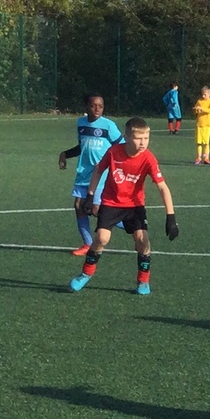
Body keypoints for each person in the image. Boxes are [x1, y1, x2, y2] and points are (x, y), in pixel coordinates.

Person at [71, 117, 178, 295]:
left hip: (135, 206)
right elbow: (98, 171)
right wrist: (90, 195)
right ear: (127, 137)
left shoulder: (148, 158)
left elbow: (162, 187)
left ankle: (143, 280)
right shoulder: (114, 152)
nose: (143, 143)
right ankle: (85, 274)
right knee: (102, 239)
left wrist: (171, 217)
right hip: (111, 203)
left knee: (142, 240)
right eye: (138, 138)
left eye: (146, 138)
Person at [57, 96, 123, 255]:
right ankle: (87, 244)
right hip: (83, 172)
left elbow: (121, 147)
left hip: (101, 173)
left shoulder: (108, 126)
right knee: (79, 206)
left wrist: (116, 167)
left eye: (101, 105)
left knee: (95, 208)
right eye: (93, 106)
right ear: (86, 107)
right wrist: (65, 154)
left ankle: (132, 224)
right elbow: (83, 146)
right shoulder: (81, 124)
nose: (98, 109)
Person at [191, 85, 210, 165]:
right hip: (199, 124)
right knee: (199, 142)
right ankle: (198, 158)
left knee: (206, 143)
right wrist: (195, 110)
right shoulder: (199, 101)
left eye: (205, 94)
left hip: (207, 125)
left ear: (209, 94)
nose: (203, 96)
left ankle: (206, 158)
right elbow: (195, 112)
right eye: (202, 94)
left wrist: (202, 109)